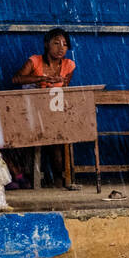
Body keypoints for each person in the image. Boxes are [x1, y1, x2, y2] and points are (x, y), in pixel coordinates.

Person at [11, 28, 78, 189]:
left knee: (57, 140)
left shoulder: (69, 65)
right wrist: (41, 79)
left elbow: (65, 89)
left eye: (64, 44)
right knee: (27, 141)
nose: (61, 47)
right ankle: (27, 177)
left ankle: (58, 178)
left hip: (55, 112)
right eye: (56, 43)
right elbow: (16, 79)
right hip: (31, 112)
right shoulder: (35, 61)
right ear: (46, 44)